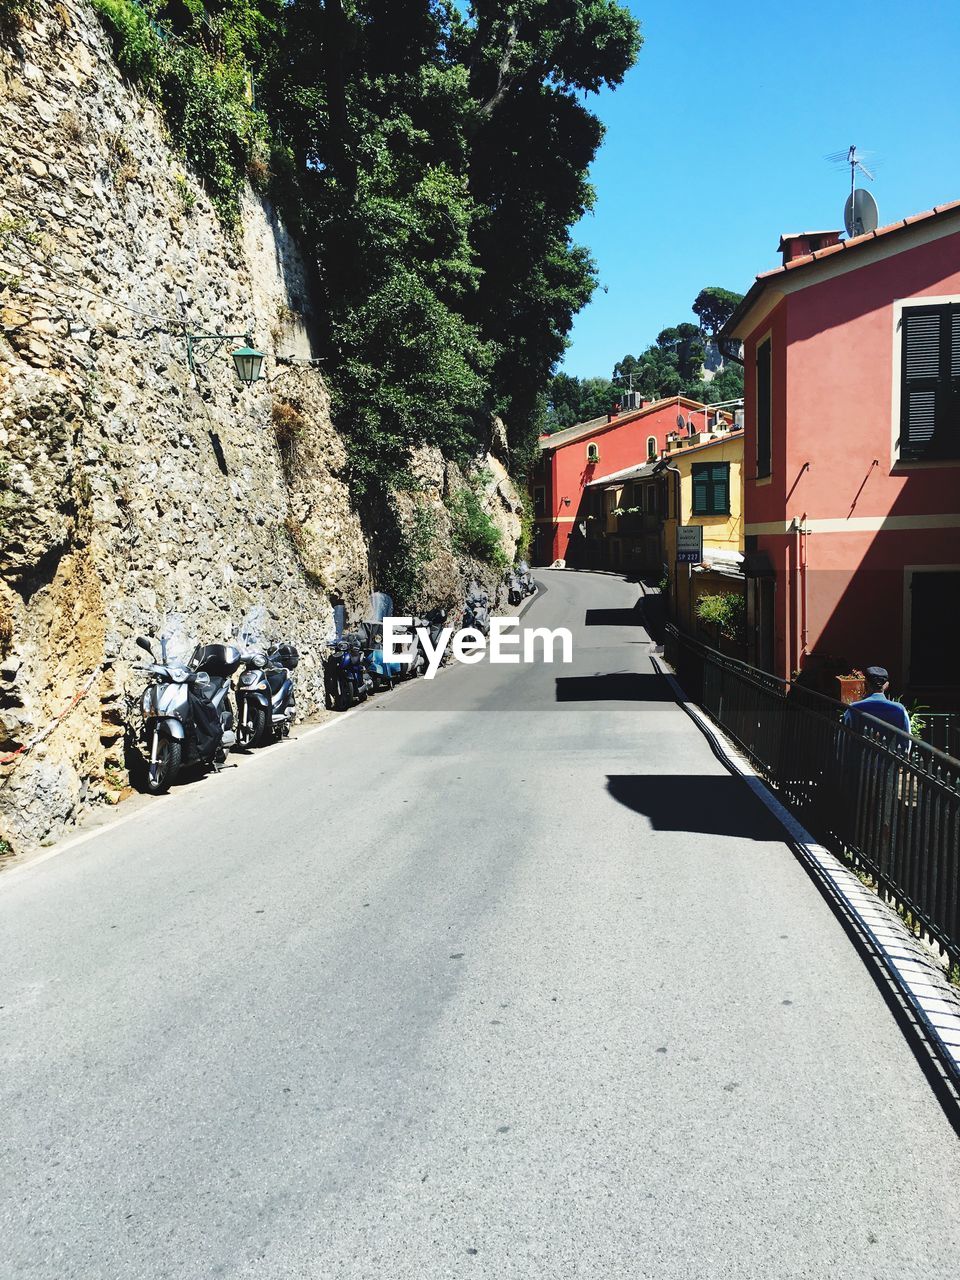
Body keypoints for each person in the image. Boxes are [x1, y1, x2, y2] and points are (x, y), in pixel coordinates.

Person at [842, 666, 911, 741]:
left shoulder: (854, 708)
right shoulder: (899, 709)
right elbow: (907, 740)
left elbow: (844, 738)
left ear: (865, 684)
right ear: (887, 685)